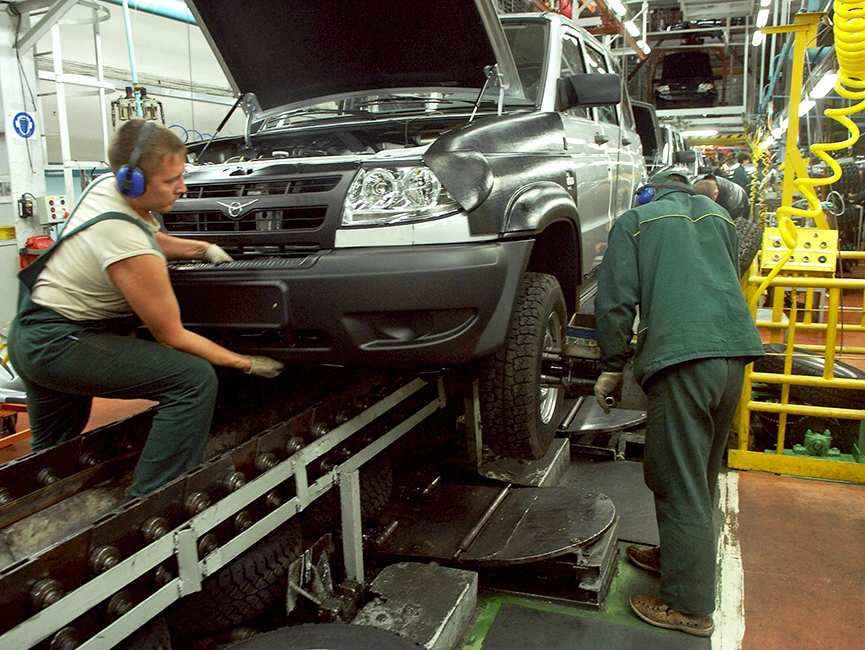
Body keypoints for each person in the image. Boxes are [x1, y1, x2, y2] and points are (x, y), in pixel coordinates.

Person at [8, 119, 286, 499]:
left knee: (52, 459)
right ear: (133, 182)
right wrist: (245, 363)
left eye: (182, 175)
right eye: (170, 180)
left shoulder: (105, 188)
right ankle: (154, 499)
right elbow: (172, 337)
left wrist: (199, 249)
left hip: (29, 333)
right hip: (61, 344)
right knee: (193, 380)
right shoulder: (126, 247)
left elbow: (148, 234)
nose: (182, 187)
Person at [592, 169, 764, 637]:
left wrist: (611, 363)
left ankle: (688, 606)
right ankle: (676, 558)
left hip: (682, 358)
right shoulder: (722, 218)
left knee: (675, 478)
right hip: (732, 357)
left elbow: (615, 303)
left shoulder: (636, 221)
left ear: (648, 193)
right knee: (701, 473)